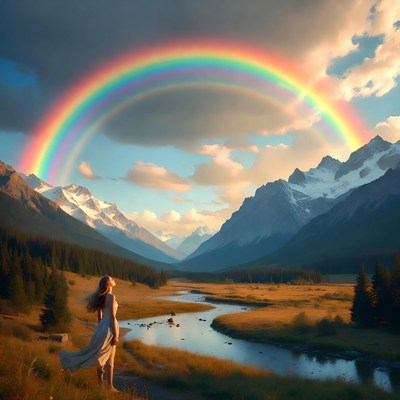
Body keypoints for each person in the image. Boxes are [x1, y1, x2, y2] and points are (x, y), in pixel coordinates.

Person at [59, 275, 120, 392]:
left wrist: (100, 328)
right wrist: (116, 335)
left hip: (102, 326)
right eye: (111, 279)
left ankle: (101, 385)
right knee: (110, 359)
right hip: (110, 327)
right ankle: (110, 386)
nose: (113, 279)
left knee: (98, 354)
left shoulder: (101, 297)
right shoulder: (111, 296)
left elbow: (100, 315)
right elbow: (112, 316)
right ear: (108, 284)